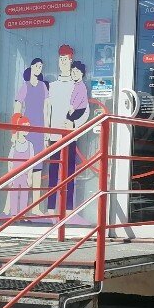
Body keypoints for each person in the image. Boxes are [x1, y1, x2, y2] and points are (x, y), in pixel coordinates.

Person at [45, 45, 87, 213]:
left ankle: (68, 207)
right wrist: (46, 133)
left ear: (71, 61)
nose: (63, 62)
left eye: (66, 59)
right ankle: (50, 206)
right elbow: (47, 111)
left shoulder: (77, 85)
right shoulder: (52, 86)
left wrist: (75, 125)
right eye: (61, 59)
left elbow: (85, 110)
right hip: (54, 135)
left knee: (69, 171)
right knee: (53, 171)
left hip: (69, 135)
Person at [14, 58, 49, 215]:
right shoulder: (25, 86)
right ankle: (19, 207)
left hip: (40, 129)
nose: (38, 68)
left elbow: (47, 109)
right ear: (31, 67)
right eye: (36, 66)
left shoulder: (43, 87)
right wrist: (16, 130)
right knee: (23, 167)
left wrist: (47, 132)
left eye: (41, 66)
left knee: (37, 168)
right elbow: (17, 108)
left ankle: (36, 206)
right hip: (26, 129)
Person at [3, 114, 34, 218]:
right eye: (25, 126)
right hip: (14, 174)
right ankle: (13, 214)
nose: (27, 129)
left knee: (25, 194)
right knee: (14, 193)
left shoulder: (30, 145)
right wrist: (10, 176)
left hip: (25, 174)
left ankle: (23, 214)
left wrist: (30, 177)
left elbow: (32, 162)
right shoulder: (14, 144)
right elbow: (10, 161)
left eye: (28, 126)